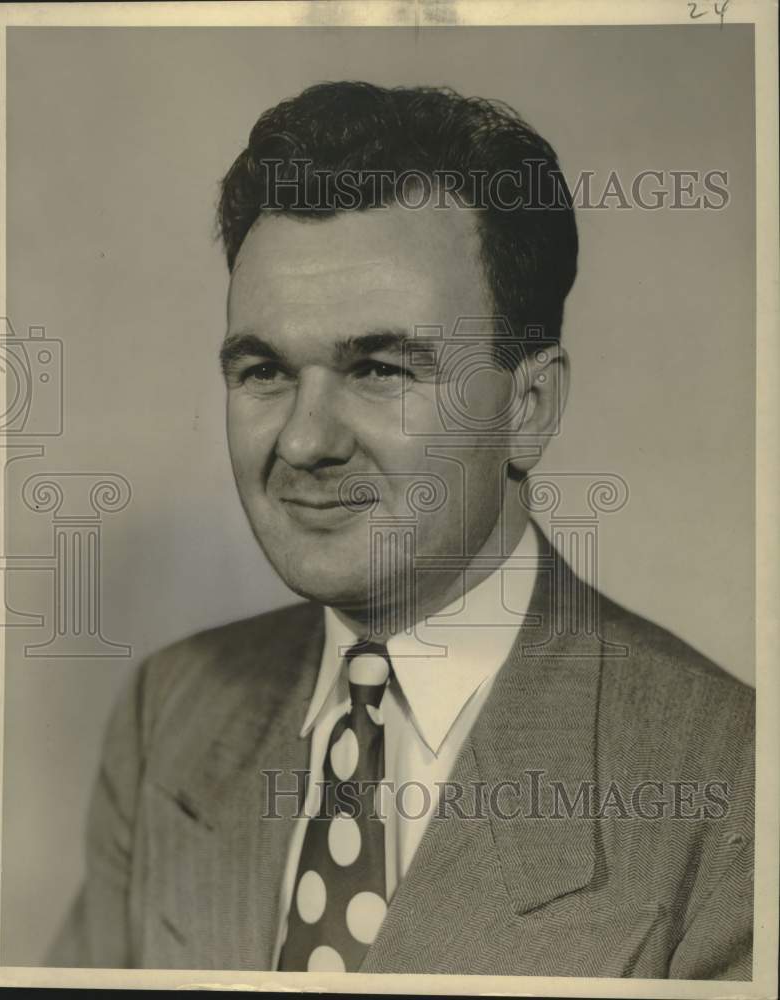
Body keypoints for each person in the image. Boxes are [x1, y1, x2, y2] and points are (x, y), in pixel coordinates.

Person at [48, 81, 754, 979]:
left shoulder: (732, 781)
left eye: (378, 368)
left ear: (528, 409)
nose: (304, 441)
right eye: (264, 371)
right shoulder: (169, 714)